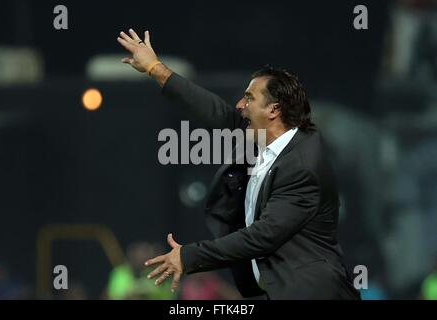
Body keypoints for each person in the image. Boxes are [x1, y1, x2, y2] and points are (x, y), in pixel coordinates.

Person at [117, 29, 361, 299]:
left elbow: (262, 236)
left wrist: (189, 256)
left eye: (249, 98)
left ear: (274, 110)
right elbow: (215, 112)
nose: (240, 105)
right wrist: (155, 68)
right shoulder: (264, 140)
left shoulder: (301, 166)